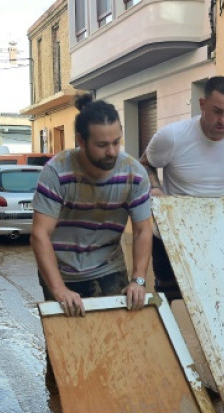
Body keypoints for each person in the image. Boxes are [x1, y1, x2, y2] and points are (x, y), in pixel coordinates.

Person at [140, 75, 224, 299]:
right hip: (172, 240)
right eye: (217, 111)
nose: (223, 120)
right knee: (171, 306)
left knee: (216, 302)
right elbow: (144, 164)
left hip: (216, 239)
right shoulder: (172, 136)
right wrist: (155, 189)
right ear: (202, 105)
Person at [31, 93, 153, 316]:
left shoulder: (134, 174)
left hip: (109, 267)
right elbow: (40, 235)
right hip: (60, 271)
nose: (112, 152)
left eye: (117, 142)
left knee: (116, 342)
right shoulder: (56, 171)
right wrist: (59, 290)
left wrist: (138, 279)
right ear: (81, 140)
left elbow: (142, 231)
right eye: (102, 145)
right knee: (66, 348)